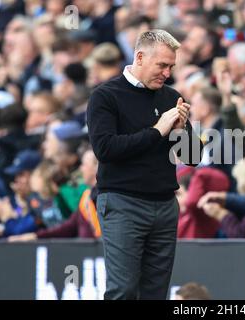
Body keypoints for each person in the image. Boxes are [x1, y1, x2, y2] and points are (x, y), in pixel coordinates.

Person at [87, 29, 203, 300]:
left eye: (171, 66)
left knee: (155, 292)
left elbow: (193, 157)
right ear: (139, 57)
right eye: (161, 65)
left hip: (164, 205)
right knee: (123, 291)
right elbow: (105, 149)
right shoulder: (105, 96)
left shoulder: (171, 96)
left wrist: (181, 130)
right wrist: (157, 131)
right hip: (123, 202)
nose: (167, 73)